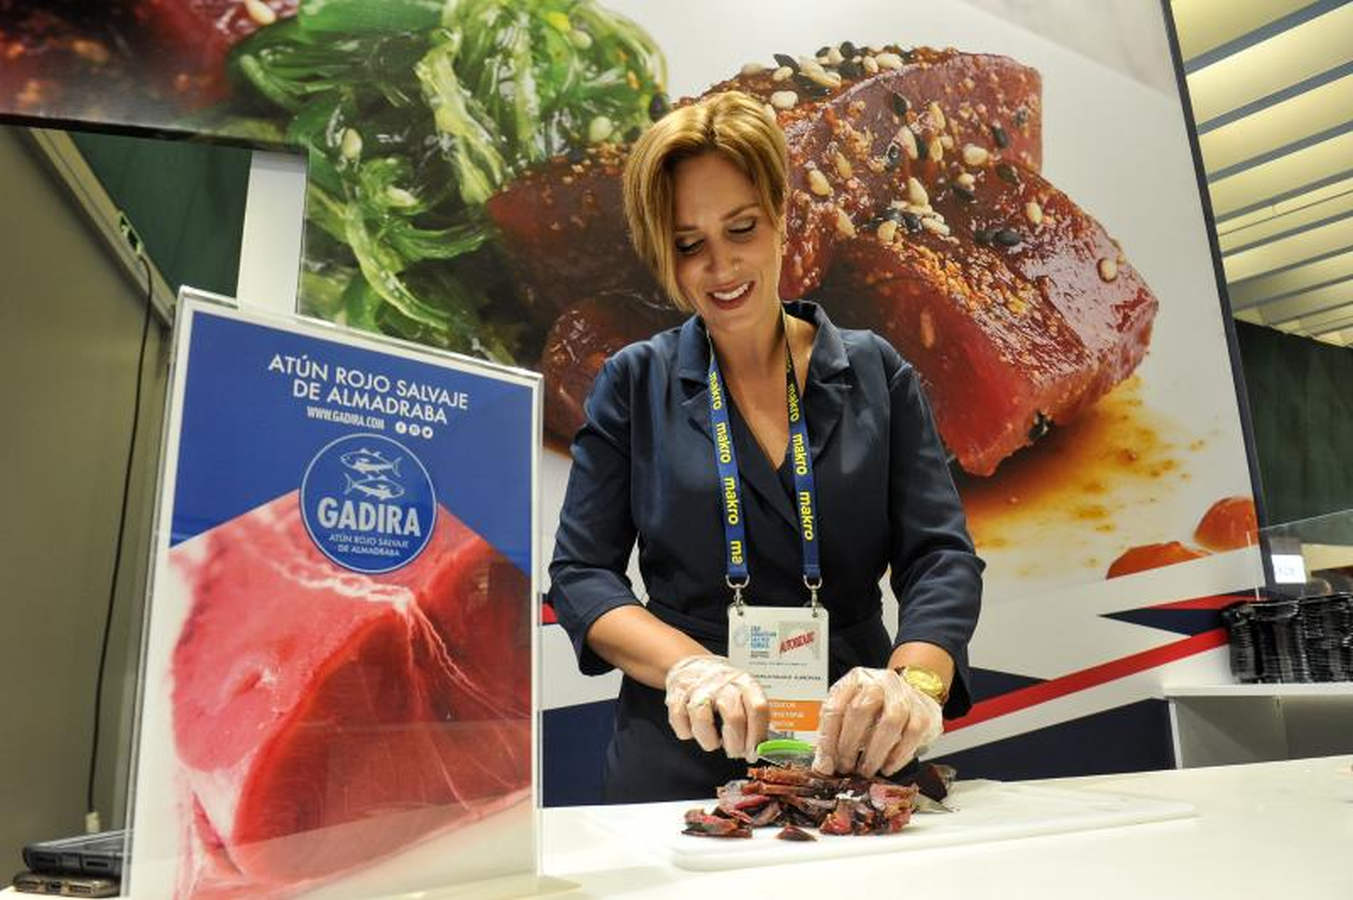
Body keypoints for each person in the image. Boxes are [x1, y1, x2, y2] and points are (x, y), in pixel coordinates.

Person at [547, 90, 982, 803]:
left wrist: (915, 684)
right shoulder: (634, 380)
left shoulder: (877, 370)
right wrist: (692, 669)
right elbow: (581, 574)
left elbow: (939, 556)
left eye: (740, 228)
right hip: (683, 742)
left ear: (781, 217)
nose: (720, 267)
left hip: (856, 738)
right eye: (689, 244)